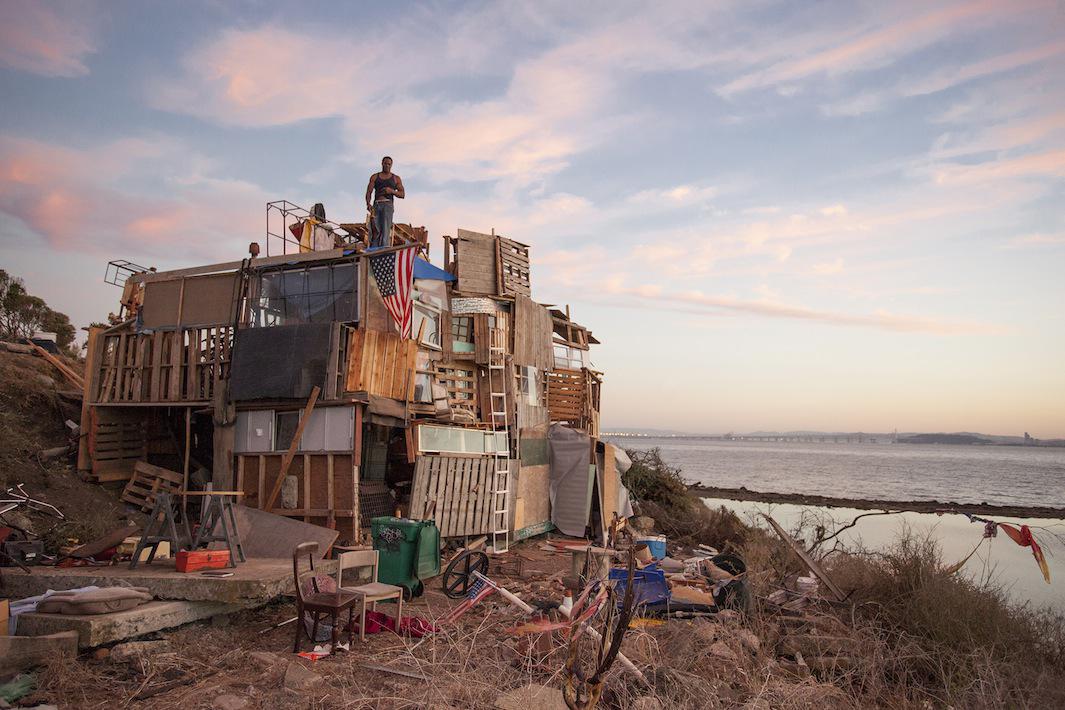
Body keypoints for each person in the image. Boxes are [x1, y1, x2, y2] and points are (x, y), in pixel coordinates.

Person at [365, 156, 405, 248]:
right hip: (376, 205)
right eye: (385, 163)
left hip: (388, 205)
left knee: (385, 230)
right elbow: (369, 191)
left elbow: (402, 194)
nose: (387, 165)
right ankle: (373, 252)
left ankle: (383, 251)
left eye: (389, 164)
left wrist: (391, 191)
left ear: (391, 165)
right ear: (382, 163)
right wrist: (368, 203)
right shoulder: (375, 176)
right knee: (375, 230)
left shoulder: (396, 178)